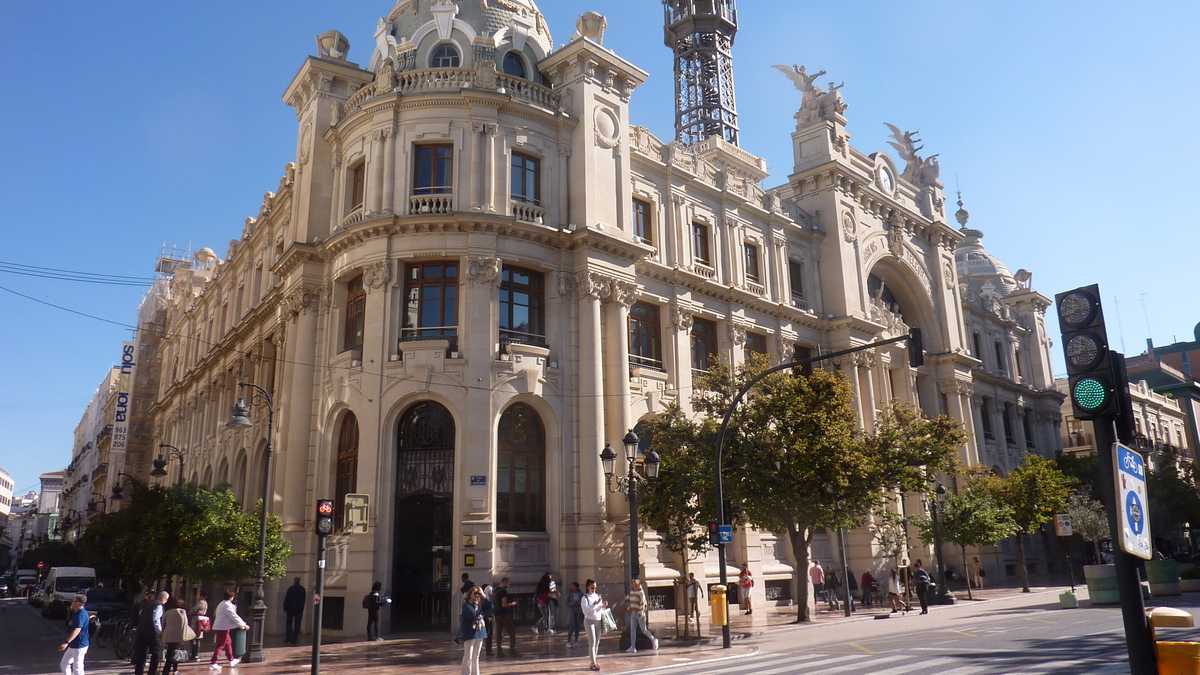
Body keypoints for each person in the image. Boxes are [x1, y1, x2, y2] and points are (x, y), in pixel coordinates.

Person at [209, 588, 248, 671]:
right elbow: (234, 616)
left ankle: (231, 660)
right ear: (231, 597)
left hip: (222, 627)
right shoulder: (227, 605)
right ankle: (213, 662)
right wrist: (243, 625)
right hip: (222, 628)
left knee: (228, 643)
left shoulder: (222, 603)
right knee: (220, 645)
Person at [134, 590, 168, 675]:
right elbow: (156, 619)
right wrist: (160, 632)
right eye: (166, 599)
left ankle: (138, 672)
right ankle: (152, 672)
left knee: (141, 654)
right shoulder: (159, 606)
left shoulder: (148, 604)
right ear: (164, 599)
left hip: (142, 631)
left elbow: (141, 615)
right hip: (152, 633)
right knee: (156, 654)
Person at [58, 594, 90, 675]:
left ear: (79, 603)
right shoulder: (76, 612)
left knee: (77, 668)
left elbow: (77, 630)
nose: (72, 602)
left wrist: (66, 642)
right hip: (73, 644)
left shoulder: (81, 614)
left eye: (74, 601)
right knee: (64, 664)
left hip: (80, 645)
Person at [624, 579, 658, 653]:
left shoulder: (641, 593)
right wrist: (629, 607)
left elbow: (643, 604)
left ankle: (653, 639)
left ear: (638, 584)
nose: (633, 585)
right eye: (632, 583)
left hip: (640, 614)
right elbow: (629, 600)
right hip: (633, 613)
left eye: (634, 584)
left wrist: (640, 612)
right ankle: (633, 647)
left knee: (644, 630)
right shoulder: (632, 591)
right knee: (632, 630)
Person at [162, 599, 195, 674]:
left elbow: (163, 623)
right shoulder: (182, 612)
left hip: (168, 635)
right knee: (175, 653)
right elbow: (185, 624)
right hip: (178, 635)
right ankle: (172, 670)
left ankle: (169, 670)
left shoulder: (168, 612)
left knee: (171, 651)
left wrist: (162, 633)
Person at [459, 586, 487, 675]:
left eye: (478, 593)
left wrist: (483, 595)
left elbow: (491, 607)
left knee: (476, 656)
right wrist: (480, 616)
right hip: (470, 634)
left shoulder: (479, 605)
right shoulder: (466, 606)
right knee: (468, 656)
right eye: (474, 593)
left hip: (480, 633)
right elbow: (473, 616)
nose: (476, 595)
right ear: (470, 594)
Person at [580, 579, 607, 671]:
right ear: (588, 587)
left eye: (595, 587)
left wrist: (603, 606)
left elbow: (599, 610)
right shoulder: (585, 598)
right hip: (589, 621)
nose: (594, 589)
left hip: (598, 621)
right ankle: (594, 663)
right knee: (592, 642)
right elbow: (586, 611)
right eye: (592, 587)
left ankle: (593, 662)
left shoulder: (598, 596)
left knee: (597, 643)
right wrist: (595, 605)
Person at [492, 577, 517, 657]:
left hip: (497, 614)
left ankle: (499, 651)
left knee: (499, 633)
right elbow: (504, 604)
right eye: (508, 583)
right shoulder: (503, 591)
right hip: (504, 615)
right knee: (512, 632)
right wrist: (512, 604)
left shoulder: (495, 590)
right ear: (504, 582)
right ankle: (512, 650)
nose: (509, 585)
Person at [283, 577, 306, 645]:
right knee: (295, 625)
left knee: (291, 624)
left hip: (292, 609)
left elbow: (286, 598)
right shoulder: (301, 589)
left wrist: (285, 607)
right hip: (295, 610)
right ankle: (292, 639)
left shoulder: (291, 588)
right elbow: (303, 600)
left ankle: (290, 638)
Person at [190, 590, 209, 661]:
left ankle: (194, 654)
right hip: (202, 621)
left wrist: (190, 611)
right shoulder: (206, 603)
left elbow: (193, 610)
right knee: (198, 638)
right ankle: (196, 654)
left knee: (194, 638)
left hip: (197, 620)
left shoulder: (201, 602)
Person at [479, 584, 495, 656]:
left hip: (488, 617)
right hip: (488, 618)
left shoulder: (486, 599)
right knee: (489, 634)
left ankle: (489, 650)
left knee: (489, 634)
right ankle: (488, 651)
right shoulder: (485, 600)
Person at [566, 582, 583, 647]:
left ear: (576, 587)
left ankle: (576, 640)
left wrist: (579, 603)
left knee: (577, 626)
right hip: (572, 611)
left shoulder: (581, 594)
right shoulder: (570, 594)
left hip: (578, 611)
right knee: (571, 625)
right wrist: (572, 603)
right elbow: (567, 602)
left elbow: (583, 602)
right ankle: (568, 641)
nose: (571, 587)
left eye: (573, 586)